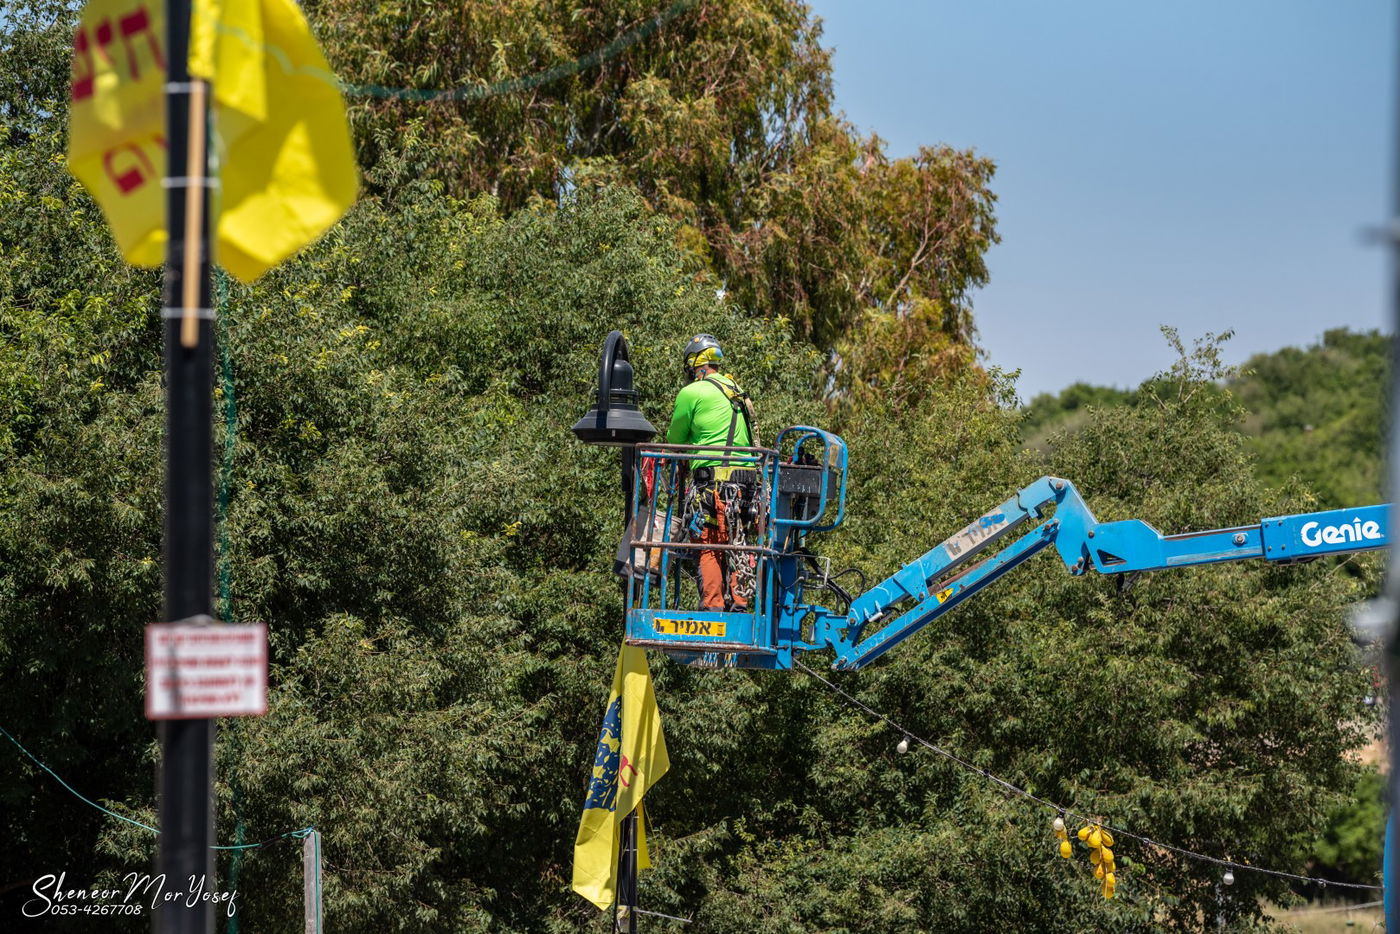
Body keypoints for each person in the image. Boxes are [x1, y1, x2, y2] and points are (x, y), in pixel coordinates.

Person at [666, 334, 759, 611]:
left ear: (695, 363)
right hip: (747, 483)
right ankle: (740, 602)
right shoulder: (736, 389)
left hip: (713, 482)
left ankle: (713, 607)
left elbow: (674, 440)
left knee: (707, 542)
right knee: (738, 540)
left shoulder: (692, 392)